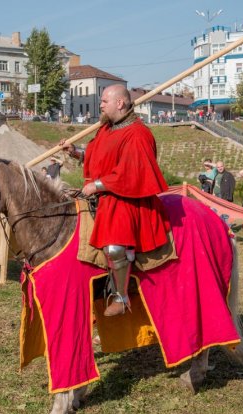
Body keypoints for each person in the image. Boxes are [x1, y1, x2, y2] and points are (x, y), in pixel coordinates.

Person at [60, 84, 169, 316]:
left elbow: (132, 172)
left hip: (128, 197)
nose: (100, 105)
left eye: (104, 101)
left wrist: (97, 185)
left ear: (120, 103)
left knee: (115, 245)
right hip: (107, 193)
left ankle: (121, 296)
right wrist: (76, 152)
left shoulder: (138, 133)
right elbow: (98, 157)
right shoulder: (106, 129)